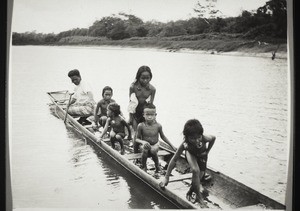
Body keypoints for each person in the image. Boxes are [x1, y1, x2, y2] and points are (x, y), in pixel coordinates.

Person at [159, 119, 215, 207]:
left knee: (199, 176)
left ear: (201, 135)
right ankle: (199, 198)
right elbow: (174, 159)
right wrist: (166, 177)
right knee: (195, 170)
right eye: (192, 138)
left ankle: (191, 190)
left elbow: (213, 138)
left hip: (202, 155)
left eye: (198, 137)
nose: (196, 140)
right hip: (191, 153)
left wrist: (207, 151)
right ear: (187, 137)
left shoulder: (205, 138)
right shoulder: (185, 144)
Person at [135, 103, 176, 172]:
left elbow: (163, 137)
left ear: (155, 115)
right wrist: (143, 142)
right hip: (144, 145)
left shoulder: (158, 126)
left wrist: (172, 146)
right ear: (143, 115)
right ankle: (144, 166)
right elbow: (137, 139)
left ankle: (157, 166)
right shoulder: (141, 126)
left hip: (155, 145)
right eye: (147, 114)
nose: (150, 117)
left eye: (152, 115)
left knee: (153, 150)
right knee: (145, 150)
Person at [129, 65, 156, 152]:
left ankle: (148, 153)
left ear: (150, 78)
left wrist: (152, 119)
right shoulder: (133, 87)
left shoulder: (152, 89)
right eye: (142, 78)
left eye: (147, 78)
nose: (145, 80)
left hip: (145, 114)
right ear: (138, 77)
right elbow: (131, 103)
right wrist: (130, 117)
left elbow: (151, 105)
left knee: (147, 134)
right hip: (135, 114)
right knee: (136, 134)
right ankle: (135, 155)